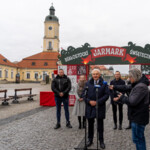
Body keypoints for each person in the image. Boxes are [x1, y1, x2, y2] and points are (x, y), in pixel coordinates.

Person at [112, 68, 149, 150]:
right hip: (137, 116)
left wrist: (122, 97)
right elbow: (125, 87)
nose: (129, 79)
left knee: (138, 139)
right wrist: (114, 86)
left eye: (130, 77)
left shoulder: (140, 87)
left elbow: (132, 101)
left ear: (135, 77)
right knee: (139, 138)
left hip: (139, 117)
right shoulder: (137, 84)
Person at [83, 69, 109, 149]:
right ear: (92, 75)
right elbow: (84, 95)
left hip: (99, 107)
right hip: (90, 107)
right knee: (90, 125)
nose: (95, 75)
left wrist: (97, 102)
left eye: (97, 74)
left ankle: (101, 141)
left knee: (100, 125)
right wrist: (89, 101)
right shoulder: (88, 83)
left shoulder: (104, 84)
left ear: (100, 75)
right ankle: (90, 140)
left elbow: (106, 95)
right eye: (93, 74)